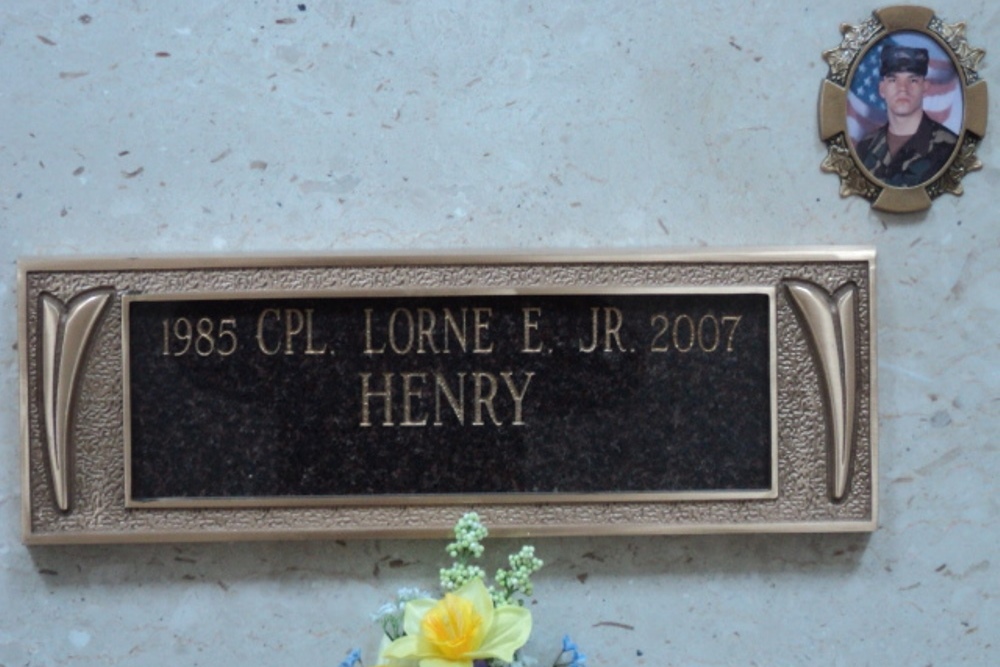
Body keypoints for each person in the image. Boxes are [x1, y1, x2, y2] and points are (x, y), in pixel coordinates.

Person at [855, 45, 958, 187]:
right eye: (893, 80)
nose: (903, 88)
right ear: (882, 89)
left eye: (913, 80)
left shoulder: (950, 149)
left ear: (925, 87)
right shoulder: (864, 148)